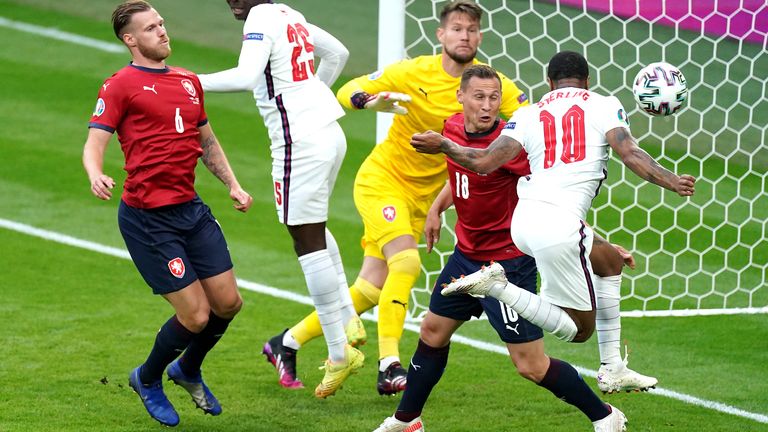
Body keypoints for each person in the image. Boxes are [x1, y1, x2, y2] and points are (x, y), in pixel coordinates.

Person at [413, 51, 697, 431]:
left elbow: (482, 162)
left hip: (524, 222)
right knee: (578, 331)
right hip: (551, 230)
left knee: (609, 262)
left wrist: (446, 147)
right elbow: (629, 153)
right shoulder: (603, 105)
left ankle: (613, 368)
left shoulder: (527, 114)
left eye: (491, 97)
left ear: (548, 83)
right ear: (588, 80)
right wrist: (671, 180)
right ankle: (500, 290)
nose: (486, 105)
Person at [266, 0, 529, 396]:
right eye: (457, 28)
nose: (465, 35)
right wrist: (371, 102)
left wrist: (440, 205)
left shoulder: (490, 87)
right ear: (441, 35)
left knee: (372, 288)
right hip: (383, 181)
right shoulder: (411, 72)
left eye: (472, 29)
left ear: (480, 35)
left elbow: (528, 124)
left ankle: (285, 342)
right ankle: (389, 364)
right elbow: (347, 90)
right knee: (405, 263)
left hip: (423, 198)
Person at [375, 65, 636, 432]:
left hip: (508, 265)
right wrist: (437, 207)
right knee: (432, 331)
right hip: (466, 256)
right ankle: (407, 421)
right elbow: (462, 171)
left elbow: (553, 203)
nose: (486, 106)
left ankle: (605, 416)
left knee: (531, 365)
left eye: (494, 98)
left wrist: (595, 242)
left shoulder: (513, 147)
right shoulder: (451, 128)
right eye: (479, 97)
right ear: (461, 97)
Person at [82, 1, 254, 427]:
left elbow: (207, 140)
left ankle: (187, 369)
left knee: (229, 303)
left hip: (190, 211)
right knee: (194, 315)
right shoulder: (119, 85)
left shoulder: (189, 81)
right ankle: (148, 377)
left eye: (161, 24)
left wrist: (232, 183)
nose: (162, 31)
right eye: (150, 28)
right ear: (130, 39)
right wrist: (95, 173)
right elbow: (94, 142)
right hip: (148, 219)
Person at [197, 0, 364, 399]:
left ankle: (340, 354)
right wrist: (315, 96)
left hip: (299, 142)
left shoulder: (260, 17)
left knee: (304, 239)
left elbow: (245, 76)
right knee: (313, 227)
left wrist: (187, 80)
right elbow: (338, 52)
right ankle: (348, 320)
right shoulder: (290, 14)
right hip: (327, 132)